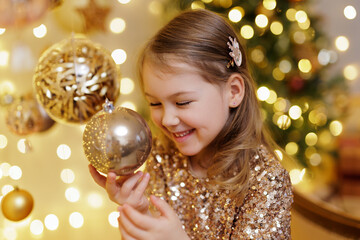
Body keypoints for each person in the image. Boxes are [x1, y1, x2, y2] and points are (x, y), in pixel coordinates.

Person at [89, 9, 293, 240]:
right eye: (155, 103)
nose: (167, 120)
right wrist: (138, 210)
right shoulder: (162, 155)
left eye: (182, 102)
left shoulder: (266, 179)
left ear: (233, 92)